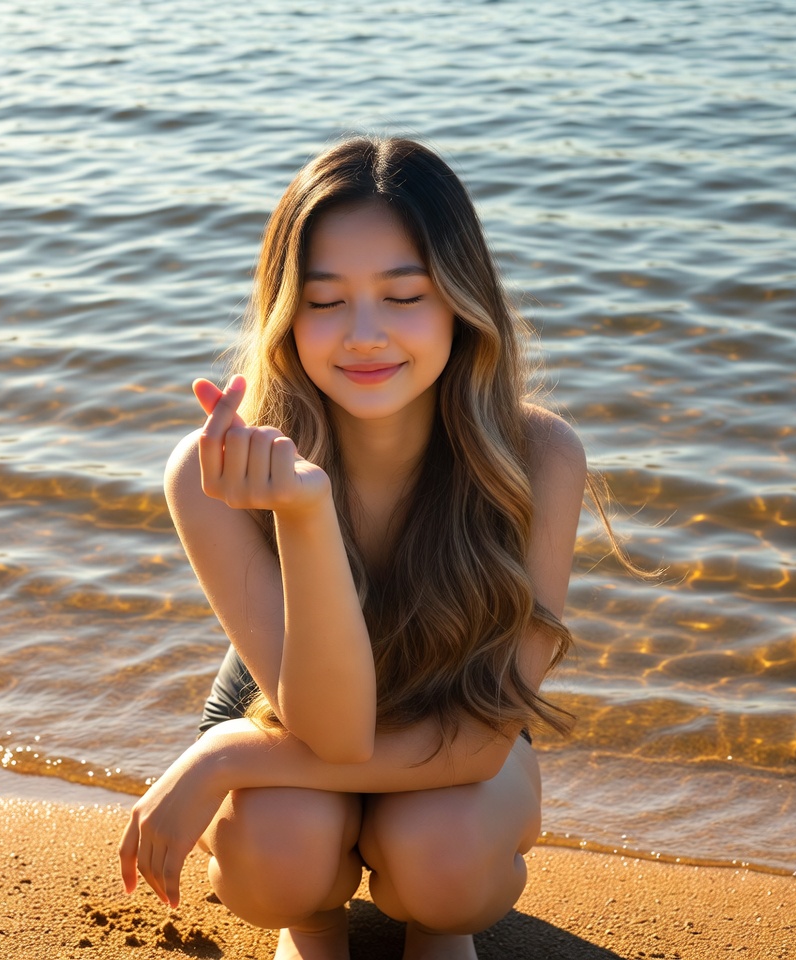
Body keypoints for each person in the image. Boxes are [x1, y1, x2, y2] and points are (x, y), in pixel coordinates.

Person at [119, 136, 588, 960]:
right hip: (283, 721)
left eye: (404, 295)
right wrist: (305, 513)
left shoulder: (537, 456)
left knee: (447, 862)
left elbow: (480, 744)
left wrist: (218, 762)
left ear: (461, 301)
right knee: (277, 853)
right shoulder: (212, 471)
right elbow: (332, 736)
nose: (365, 335)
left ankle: (437, 924)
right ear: (286, 313)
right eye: (326, 301)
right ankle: (312, 922)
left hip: (460, 744)